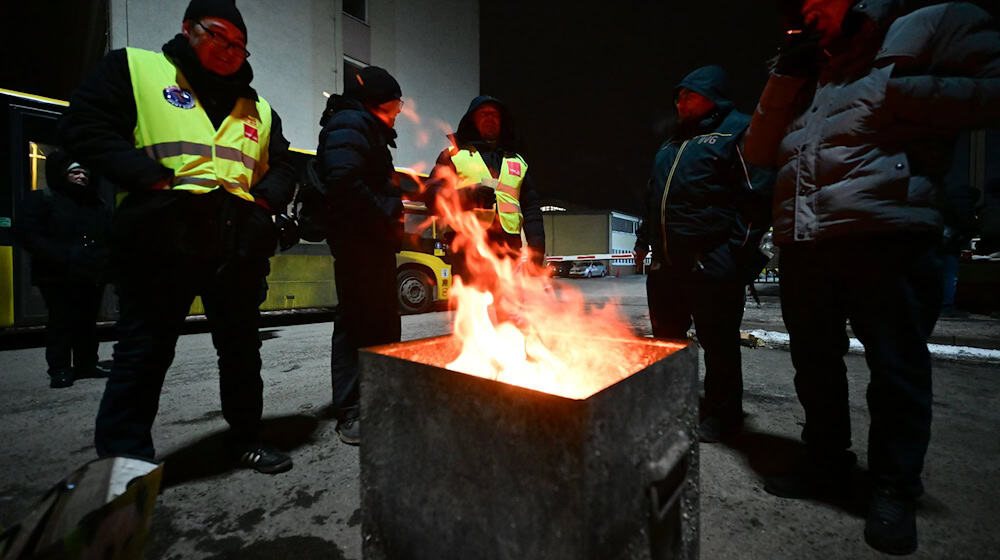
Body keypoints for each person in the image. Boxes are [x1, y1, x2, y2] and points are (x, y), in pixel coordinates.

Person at [743, 0, 1000, 554]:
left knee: (895, 370)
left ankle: (894, 488)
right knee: (814, 363)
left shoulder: (922, 27)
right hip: (806, 239)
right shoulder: (805, 73)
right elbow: (759, 152)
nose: (809, 8)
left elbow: (991, 88)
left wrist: (895, 90)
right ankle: (825, 462)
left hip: (887, 231)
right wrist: (783, 77)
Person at [58, 0, 297, 474]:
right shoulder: (135, 69)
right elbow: (83, 127)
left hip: (235, 245)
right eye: (218, 36)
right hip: (161, 239)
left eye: (239, 44)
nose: (230, 51)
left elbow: (285, 164)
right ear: (189, 28)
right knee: (143, 353)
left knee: (241, 353)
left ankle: (247, 438)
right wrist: (152, 180)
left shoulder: (260, 108)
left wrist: (264, 202)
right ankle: (124, 466)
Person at [633, 65, 774, 443]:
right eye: (677, 95)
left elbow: (756, 198)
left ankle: (723, 414)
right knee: (667, 341)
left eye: (689, 94)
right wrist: (645, 242)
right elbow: (654, 198)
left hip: (711, 261)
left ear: (714, 95)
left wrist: (735, 255)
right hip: (667, 265)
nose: (680, 101)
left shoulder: (738, 131)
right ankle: (672, 403)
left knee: (719, 342)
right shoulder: (671, 144)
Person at [316, 66, 404, 445]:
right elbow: (345, 182)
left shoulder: (367, 129)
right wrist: (386, 215)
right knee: (355, 323)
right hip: (357, 243)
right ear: (378, 101)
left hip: (374, 243)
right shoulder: (350, 123)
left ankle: (382, 400)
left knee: (382, 323)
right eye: (396, 103)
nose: (400, 111)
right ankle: (351, 410)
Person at [426, 96, 545, 290]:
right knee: (473, 312)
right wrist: (469, 196)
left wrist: (537, 249)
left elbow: (531, 209)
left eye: (494, 114)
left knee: (508, 313)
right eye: (483, 114)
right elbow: (432, 197)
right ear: (472, 119)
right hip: (467, 250)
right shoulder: (453, 156)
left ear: (502, 121)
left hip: (508, 250)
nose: (489, 118)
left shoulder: (518, 162)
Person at [17, 151, 112, 388]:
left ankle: (86, 364)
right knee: (61, 321)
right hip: (57, 275)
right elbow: (28, 234)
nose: (81, 177)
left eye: (84, 173)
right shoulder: (42, 199)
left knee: (88, 321)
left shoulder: (95, 204)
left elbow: (108, 236)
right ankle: (59, 369)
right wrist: (60, 255)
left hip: (90, 274)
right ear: (63, 174)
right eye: (75, 172)